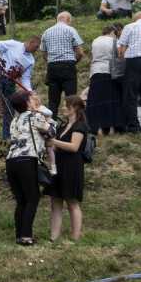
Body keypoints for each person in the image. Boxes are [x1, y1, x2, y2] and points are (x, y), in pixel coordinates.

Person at [4, 90, 55, 245]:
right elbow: (51, 132)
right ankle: (26, 236)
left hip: (11, 160)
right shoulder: (36, 116)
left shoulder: (14, 120)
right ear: (26, 103)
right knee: (32, 198)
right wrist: (49, 119)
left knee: (21, 200)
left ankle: (19, 234)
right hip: (28, 160)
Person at [46, 95, 88, 242]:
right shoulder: (63, 126)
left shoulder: (80, 126)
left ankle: (75, 238)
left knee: (72, 202)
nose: (63, 108)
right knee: (55, 201)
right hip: (59, 165)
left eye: (66, 106)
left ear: (74, 108)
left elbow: (74, 147)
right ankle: (53, 237)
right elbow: (57, 146)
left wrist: (54, 141)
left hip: (72, 167)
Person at [40, 12, 85, 113]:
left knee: (53, 101)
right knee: (71, 99)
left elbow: (43, 53)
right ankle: (73, 124)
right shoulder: (70, 29)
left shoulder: (46, 32)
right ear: (68, 20)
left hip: (52, 67)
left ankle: (52, 125)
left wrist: (51, 62)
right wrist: (74, 62)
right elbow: (80, 53)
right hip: (68, 66)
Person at [87, 24, 124, 135]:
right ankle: (112, 128)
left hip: (95, 71)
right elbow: (119, 55)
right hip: (109, 72)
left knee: (97, 101)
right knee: (111, 100)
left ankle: (97, 129)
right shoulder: (114, 41)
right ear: (112, 32)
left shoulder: (95, 41)